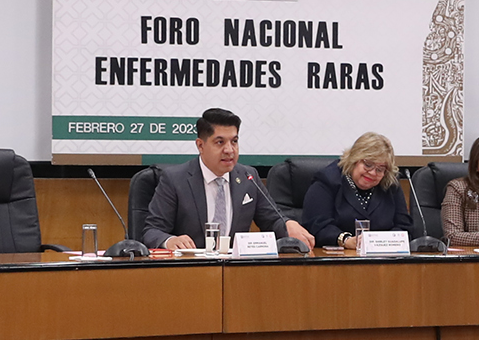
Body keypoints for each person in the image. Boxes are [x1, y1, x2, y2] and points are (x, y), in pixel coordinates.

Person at [142, 108, 315, 252]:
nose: (229, 150)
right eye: (220, 142)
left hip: (235, 271)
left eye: (234, 141)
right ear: (200, 145)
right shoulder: (175, 179)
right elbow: (152, 231)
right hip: (190, 269)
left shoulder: (248, 177)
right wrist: (170, 240)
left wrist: (288, 224)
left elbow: (272, 220)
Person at [304, 132, 414, 250]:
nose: (373, 173)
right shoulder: (328, 179)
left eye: (380, 169)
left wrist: (384, 241)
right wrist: (345, 240)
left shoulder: (390, 184)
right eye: (368, 165)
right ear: (354, 160)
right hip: (337, 256)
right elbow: (317, 225)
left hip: (383, 256)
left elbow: (404, 227)